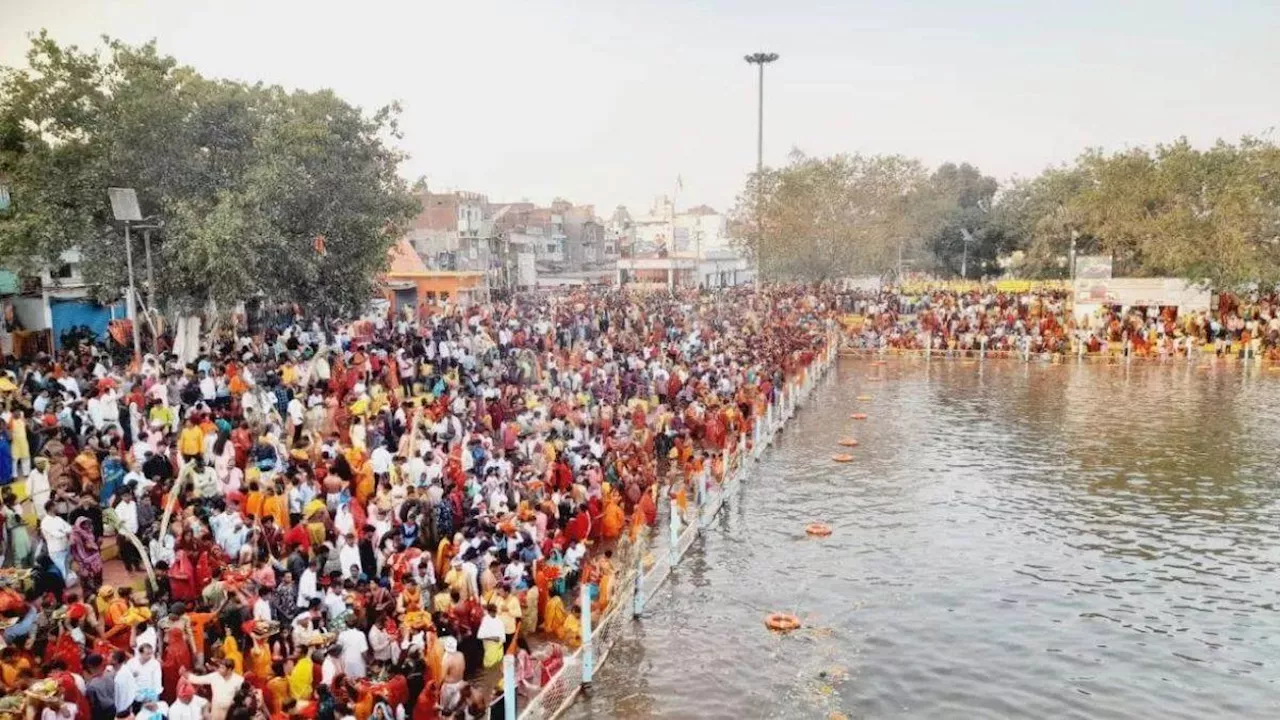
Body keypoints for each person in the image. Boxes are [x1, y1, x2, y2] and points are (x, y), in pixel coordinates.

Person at [40, 503, 74, 579]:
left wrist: (63, 531)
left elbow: (69, 528)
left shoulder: (58, 519)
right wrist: (64, 532)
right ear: (51, 508)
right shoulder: (45, 521)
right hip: (55, 549)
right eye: (55, 506)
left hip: (65, 546)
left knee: (68, 569)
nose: (57, 507)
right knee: (63, 571)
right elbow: (56, 534)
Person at [1, 488, 32, 567]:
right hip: (15, 532)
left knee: (23, 549)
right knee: (18, 551)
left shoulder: (11, 509)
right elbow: (15, 521)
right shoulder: (7, 510)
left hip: (19, 531)